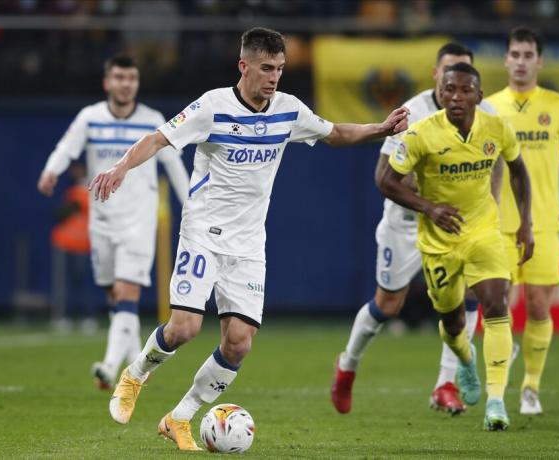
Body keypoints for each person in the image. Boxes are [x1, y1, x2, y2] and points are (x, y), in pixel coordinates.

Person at [88, 27, 409, 451]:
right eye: (265, 68)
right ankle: (135, 375)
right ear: (244, 66)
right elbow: (157, 138)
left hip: (248, 245)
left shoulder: (289, 110)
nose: (274, 76)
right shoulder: (213, 106)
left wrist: (381, 129)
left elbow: (334, 133)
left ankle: (179, 418)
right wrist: (121, 168)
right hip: (202, 234)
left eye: (279, 68)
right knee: (184, 328)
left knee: (238, 344)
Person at [331, 43, 500, 416]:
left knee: (466, 299)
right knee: (387, 304)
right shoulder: (414, 112)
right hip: (406, 224)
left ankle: (445, 384)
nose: (457, 82)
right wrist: (431, 204)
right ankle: (347, 365)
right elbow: (385, 177)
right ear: (435, 75)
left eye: (465, 74)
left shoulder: (485, 113)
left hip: (456, 225)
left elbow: (499, 158)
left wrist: (493, 208)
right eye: (449, 73)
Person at [379, 62, 533, 431]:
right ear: (440, 94)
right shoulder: (421, 134)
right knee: (451, 319)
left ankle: (496, 401)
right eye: (449, 90)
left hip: (483, 231)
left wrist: (525, 223)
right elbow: (386, 181)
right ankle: (465, 361)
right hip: (438, 241)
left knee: (496, 303)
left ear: (479, 96)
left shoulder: (497, 128)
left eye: (465, 90)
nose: (456, 97)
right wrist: (429, 207)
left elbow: (518, 171)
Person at [37, 55, 190, 390]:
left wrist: (192, 204)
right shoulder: (90, 118)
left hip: (138, 219)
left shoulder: (152, 120)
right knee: (115, 296)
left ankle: (109, 367)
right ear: (108, 82)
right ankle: (138, 363)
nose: (126, 84)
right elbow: (67, 147)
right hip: (102, 220)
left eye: (131, 78)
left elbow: (175, 165)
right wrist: (52, 169)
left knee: (125, 291)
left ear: (137, 83)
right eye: (119, 77)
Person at [486, 26, 559, 415]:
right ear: (505, 59)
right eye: (514, 54)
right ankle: (498, 379)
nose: (520, 62)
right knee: (496, 303)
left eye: (528, 55)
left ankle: (530, 386)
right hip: (498, 222)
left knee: (537, 305)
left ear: (539, 61)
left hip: (545, 221)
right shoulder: (490, 106)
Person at [49, 161, 95, 333]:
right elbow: (61, 213)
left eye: (78, 169)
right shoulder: (70, 190)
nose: (75, 172)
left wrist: (74, 206)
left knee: (83, 283)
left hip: (83, 244)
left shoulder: (92, 189)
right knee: (62, 284)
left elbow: (78, 207)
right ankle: (61, 317)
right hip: (63, 242)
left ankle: (88, 317)